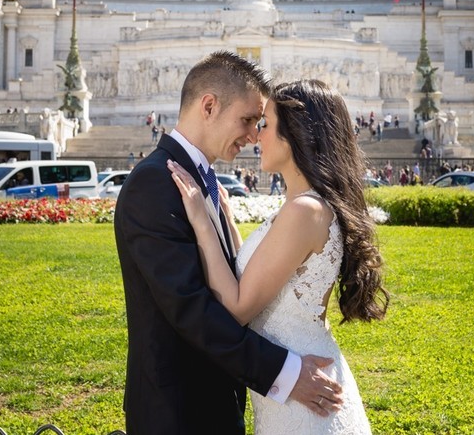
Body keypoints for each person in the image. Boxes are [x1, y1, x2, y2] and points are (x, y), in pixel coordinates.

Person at [114, 52, 344, 435]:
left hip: (216, 401)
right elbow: (191, 310)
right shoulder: (153, 183)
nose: (254, 135)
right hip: (178, 412)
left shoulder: (201, 181)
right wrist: (285, 373)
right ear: (209, 106)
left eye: (260, 123)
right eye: (248, 120)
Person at [169, 79, 389, 433]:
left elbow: (239, 306)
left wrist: (201, 221)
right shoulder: (304, 205)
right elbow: (261, 276)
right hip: (296, 384)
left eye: (266, 125)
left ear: (296, 135)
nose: (256, 136)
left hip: (302, 396)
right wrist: (225, 218)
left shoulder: (304, 210)